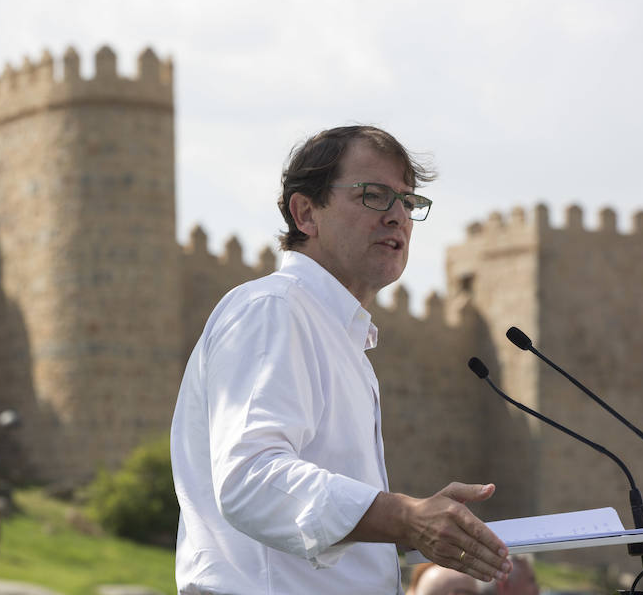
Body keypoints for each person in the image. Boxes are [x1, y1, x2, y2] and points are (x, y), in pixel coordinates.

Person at [171, 125, 512, 594]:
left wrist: (417, 522)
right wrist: (405, 518)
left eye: (409, 202)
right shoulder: (275, 309)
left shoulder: (339, 339)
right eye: (374, 196)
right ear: (306, 213)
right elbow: (250, 479)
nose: (398, 217)